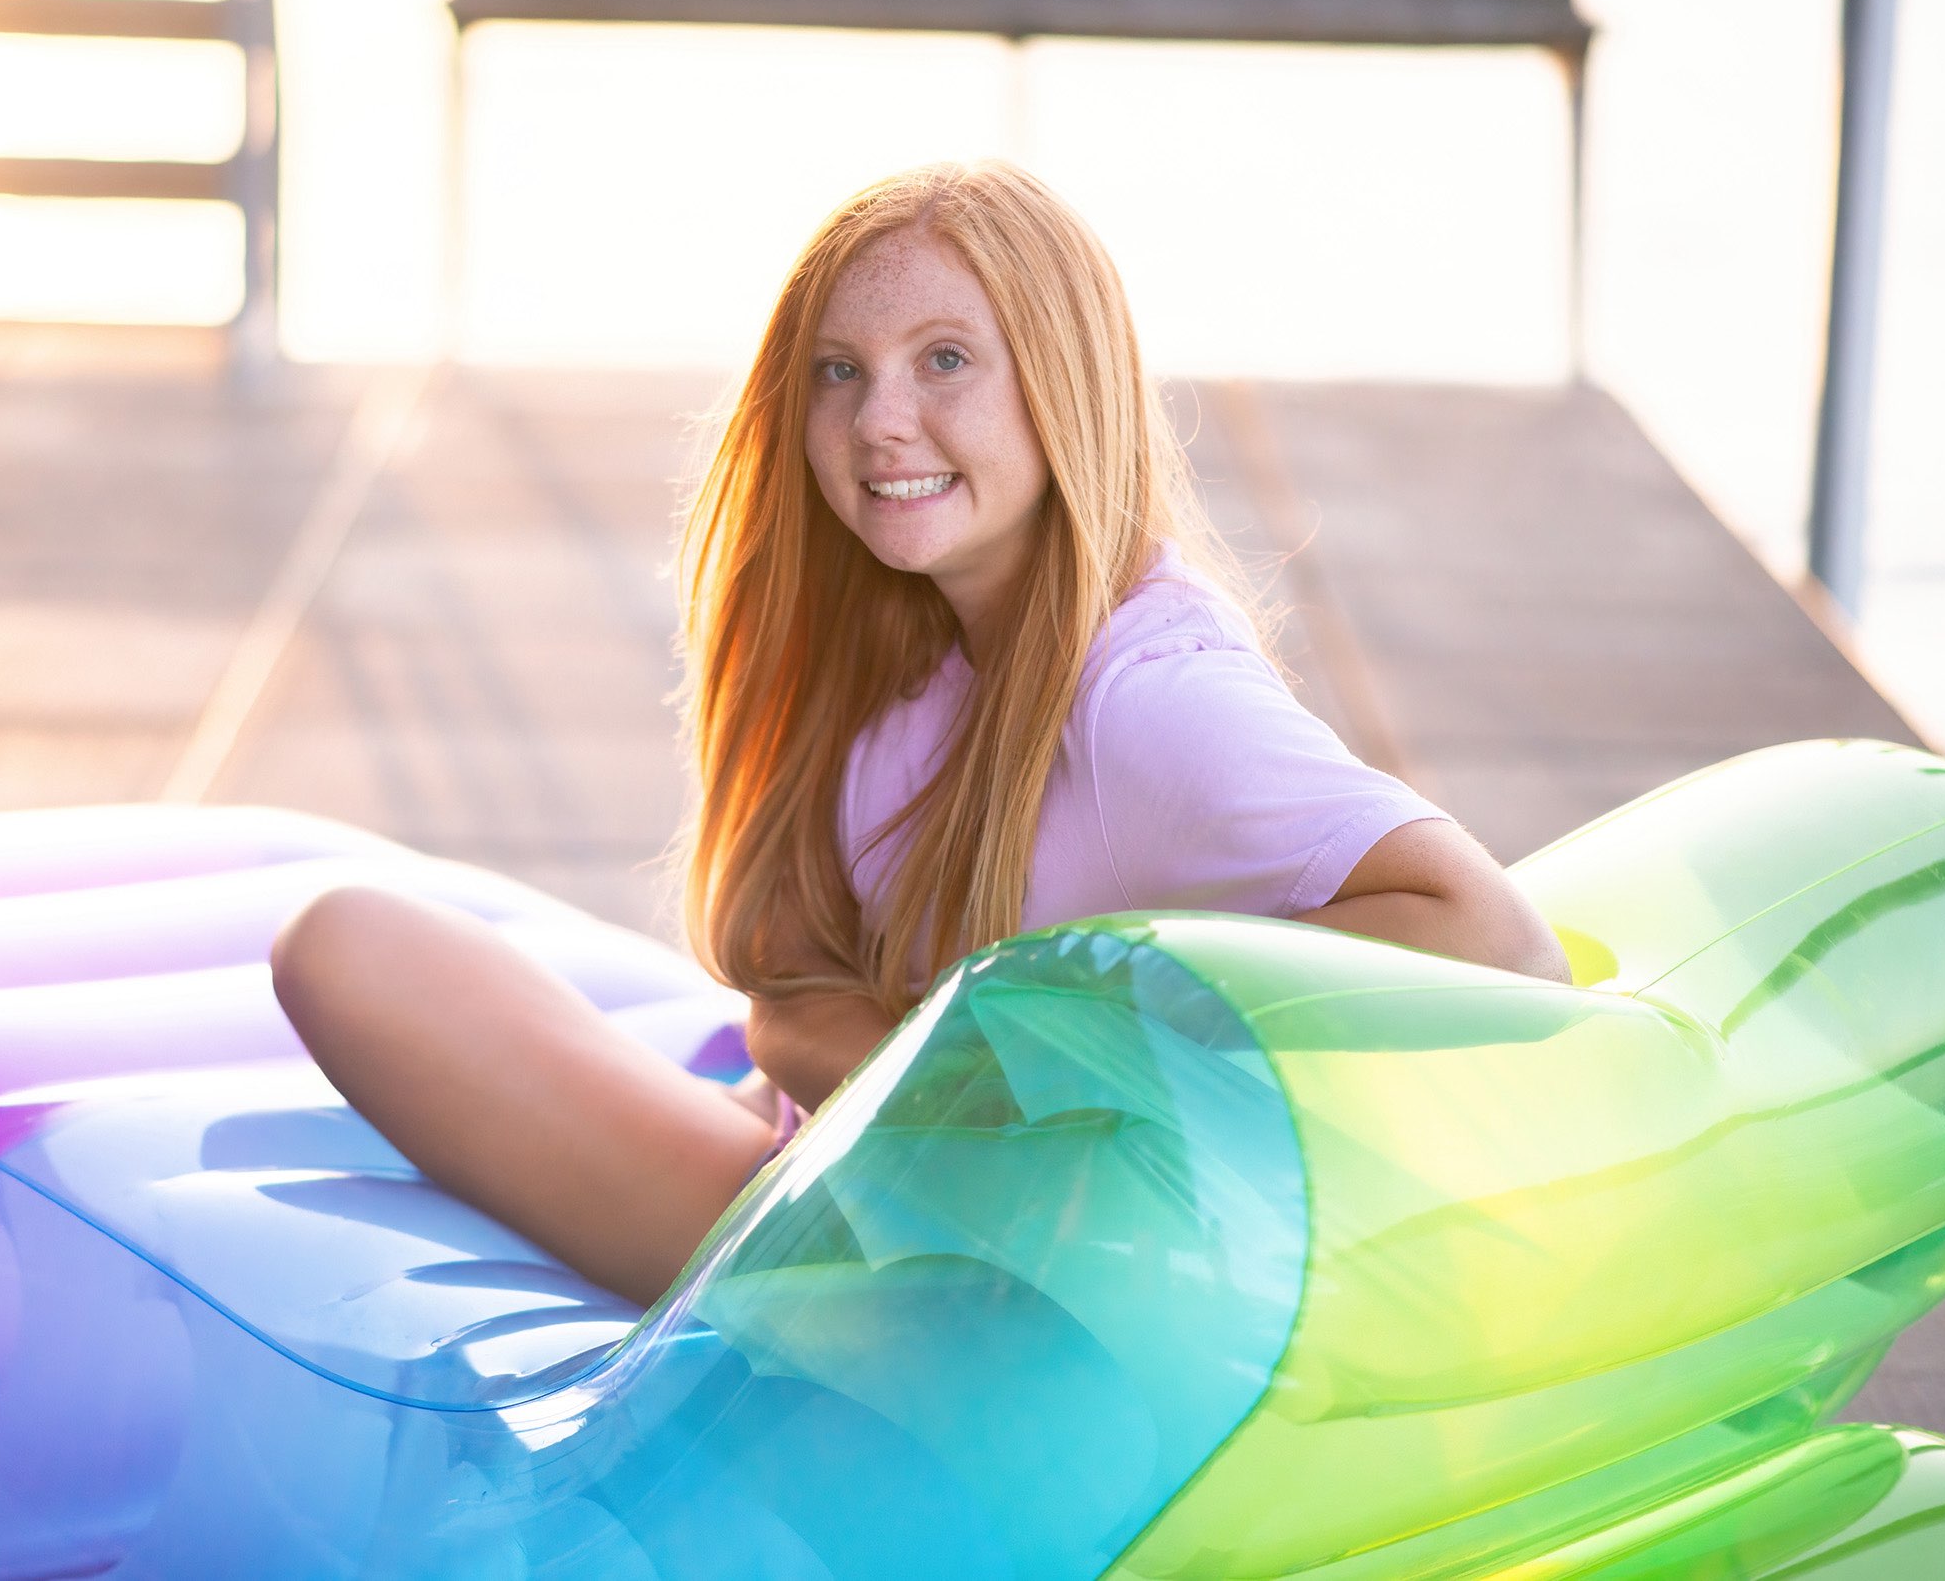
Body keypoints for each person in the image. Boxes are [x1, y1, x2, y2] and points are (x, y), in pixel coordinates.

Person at [270, 161, 1569, 1307]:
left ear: (1061, 383)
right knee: (353, 940)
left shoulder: (1150, 696)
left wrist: (1067, 1051)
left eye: (945, 359)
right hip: (824, 1156)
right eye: (841, 371)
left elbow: (1500, 945)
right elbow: (789, 999)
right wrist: (900, 1061)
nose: (879, 418)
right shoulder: (903, 641)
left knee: (348, 950)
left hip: (887, 1249)